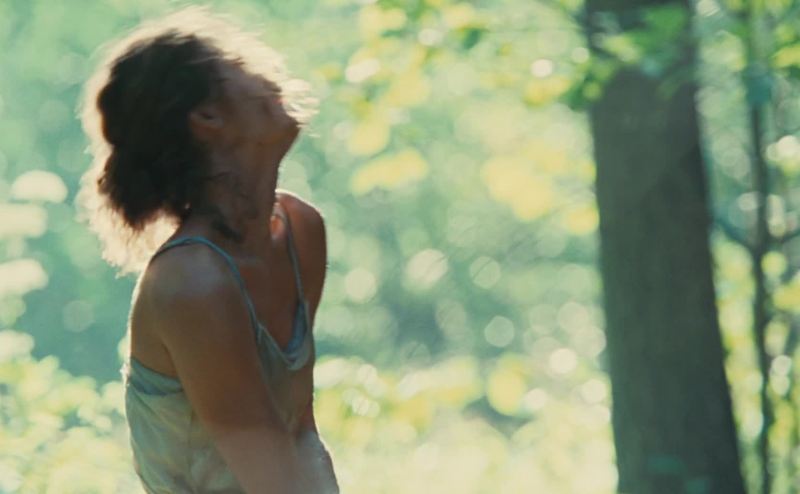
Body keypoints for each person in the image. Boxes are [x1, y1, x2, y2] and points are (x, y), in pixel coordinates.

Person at [77, 8, 338, 493]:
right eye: (243, 66)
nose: (272, 76)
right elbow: (273, 479)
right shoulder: (192, 282)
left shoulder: (300, 230)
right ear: (207, 117)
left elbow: (301, 433)